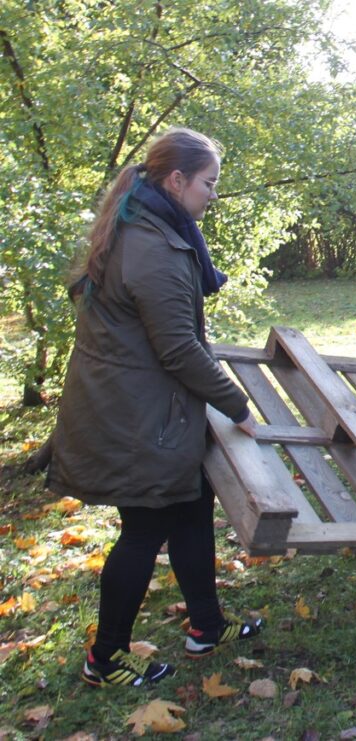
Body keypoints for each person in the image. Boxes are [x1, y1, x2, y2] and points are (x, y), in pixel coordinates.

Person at [47, 128, 263, 688]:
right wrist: (236, 404)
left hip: (141, 404)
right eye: (208, 183)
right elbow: (177, 348)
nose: (212, 195)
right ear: (177, 180)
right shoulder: (153, 245)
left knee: (191, 503)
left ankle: (207, 625)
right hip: (135, 415)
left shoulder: (148, 223)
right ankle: (106, 658)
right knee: (144, 529)